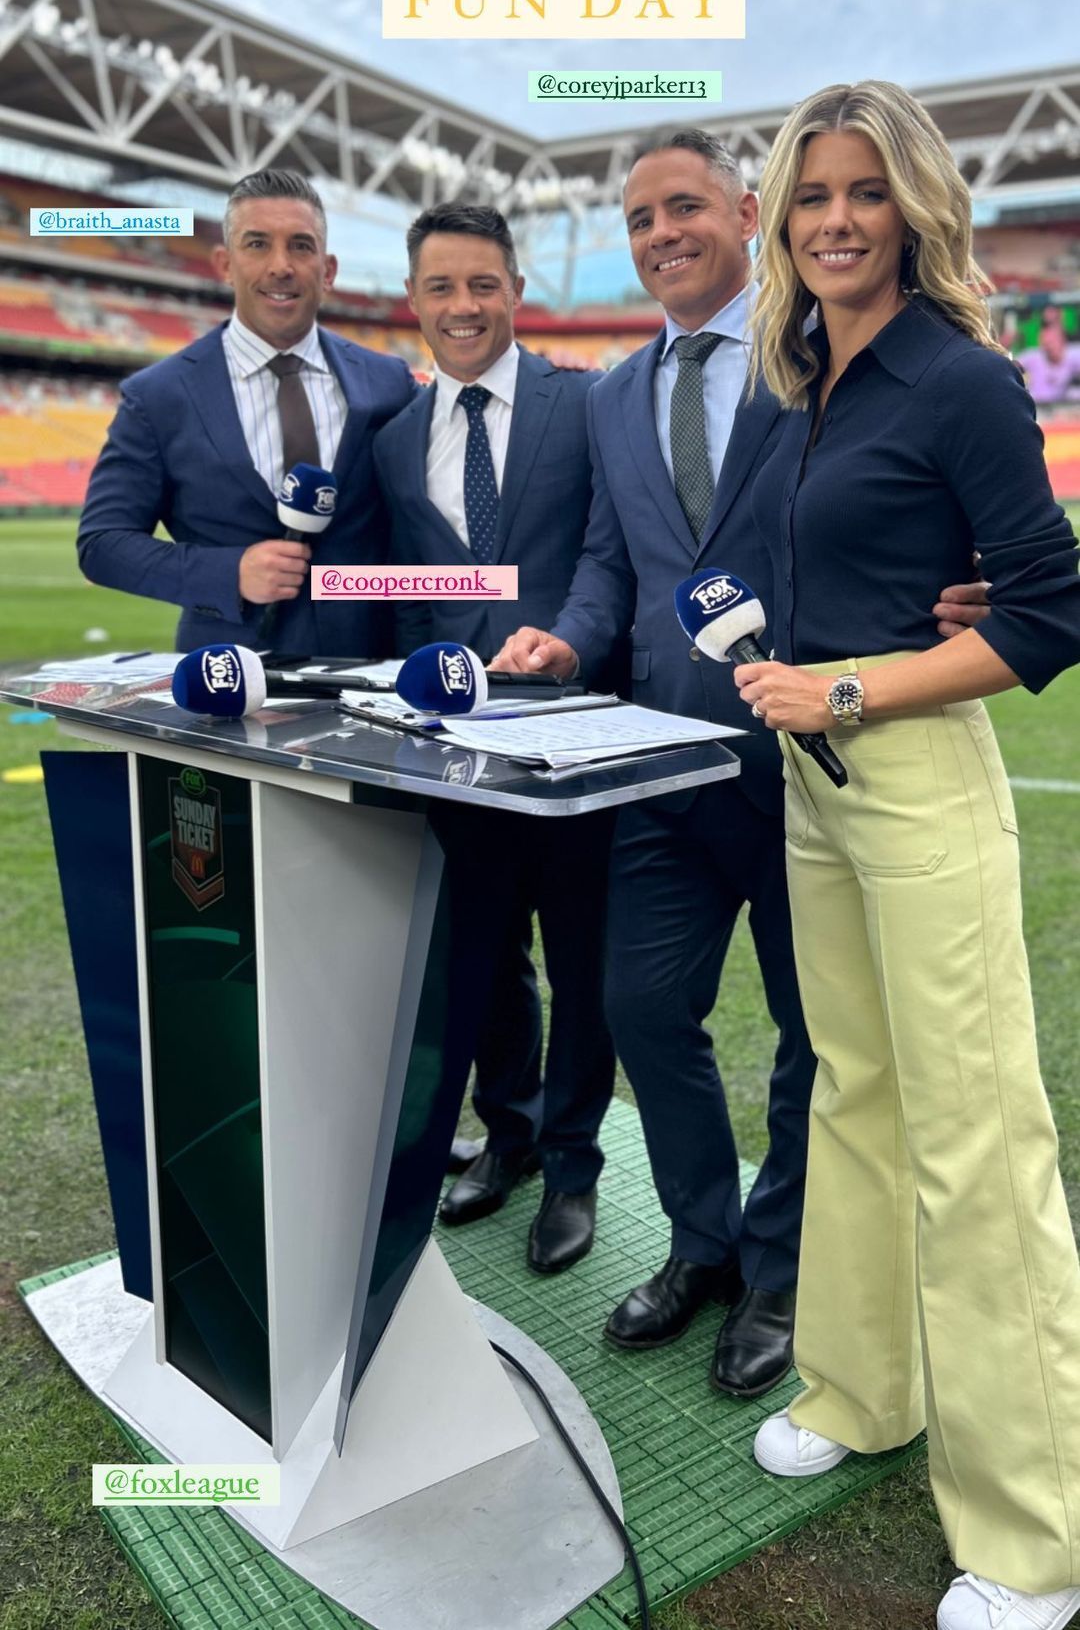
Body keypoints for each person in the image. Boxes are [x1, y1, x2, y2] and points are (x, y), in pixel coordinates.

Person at [494, 130, 988, 1395]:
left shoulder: (828, 350)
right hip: (665, 758)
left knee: (814, 1036)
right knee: (641, 1004)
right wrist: (570, 635)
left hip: (813, 760)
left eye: (684, 206)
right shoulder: (612, 395)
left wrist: (966, 577)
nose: (662, 233)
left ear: (746, 209)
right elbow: (612, 561)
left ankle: (780, 1266)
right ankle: (704, 1237)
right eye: (639, 218)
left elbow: (899, 495)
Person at [737, 80, 1080, 1630]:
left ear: (915, 206)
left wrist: (854, 687)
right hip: (813, 780)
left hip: (913, 765)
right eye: (813, 194)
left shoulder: (961, 378)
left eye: (865, 190)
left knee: (976, 1136)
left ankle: (1034, 1537)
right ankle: (861, 1385)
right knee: (856, 1093)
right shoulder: (798, 378)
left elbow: (1051, 611)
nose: (836, 218)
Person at [372, 203, 619, 1275]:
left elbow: (617, 553)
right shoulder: (395, 441)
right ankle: (508, 1134)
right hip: (456, 753)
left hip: (576, 739)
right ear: (414, 300)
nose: (463, 305)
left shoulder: (589, 402)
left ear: (516, 290)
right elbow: (408, 595)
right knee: (482, 957)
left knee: (582, 963)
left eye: (483, 283)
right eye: (442, 286)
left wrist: (572, 644)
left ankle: (572, 1165)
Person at [78, 169, 414, 656]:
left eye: (301, 246)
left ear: (328, 271)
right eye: (257, 244)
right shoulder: (158, 396)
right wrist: (228, 572)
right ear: (225, 264)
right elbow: (102, 544)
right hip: (226, 671)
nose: (281, 266)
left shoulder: (389, 382)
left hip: (373, 669)